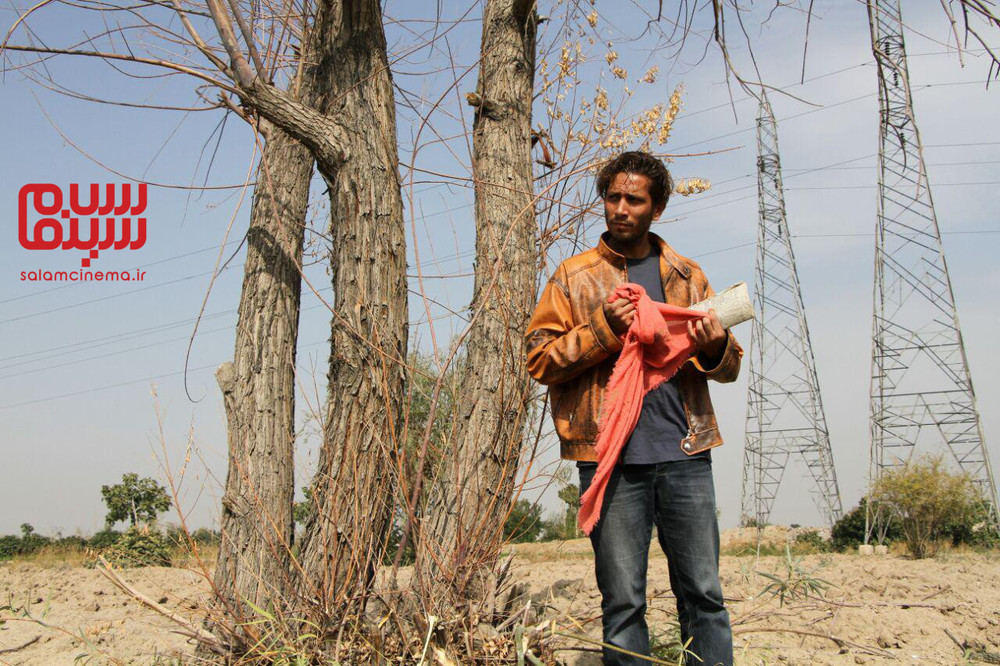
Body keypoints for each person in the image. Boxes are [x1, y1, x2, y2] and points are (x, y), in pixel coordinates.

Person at [524, 151, 742, 665]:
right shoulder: (573, 278)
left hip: (686, 454)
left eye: (634, 199)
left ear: (657, 208)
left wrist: (713, 348)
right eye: (612, 197)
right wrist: (604, 327)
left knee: (704, 598)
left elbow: (729, 366)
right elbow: (540, 359)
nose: (620, 208)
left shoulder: (688, 276)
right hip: (610, 460)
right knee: (622, 603)